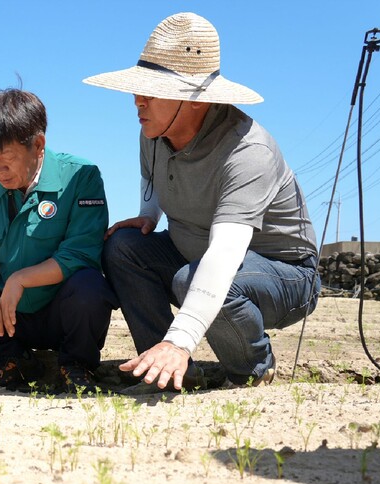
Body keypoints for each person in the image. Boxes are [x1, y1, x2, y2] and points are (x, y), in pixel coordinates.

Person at [82, 12, 320, 393]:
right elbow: (152, 176)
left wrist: (182, 337)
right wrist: (148, 215)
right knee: (123, 247)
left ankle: (252, 368)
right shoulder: (153, 130)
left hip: (285, 274)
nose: (137, 100)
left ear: (195, 100)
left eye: (152, 91)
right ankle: (167, 372)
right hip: (193, 252)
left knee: (199, 280)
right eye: (138, 88)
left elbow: (224, 256)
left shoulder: (247, 150)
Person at [0, 89, 116, 392]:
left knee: (90, 287)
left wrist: (20, 279)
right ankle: (11, 362)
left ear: (38, 145)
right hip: (8, 317)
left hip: (62, 311)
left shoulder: (82, 176)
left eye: (8, 157)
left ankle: (76, 365)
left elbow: (80, 252)